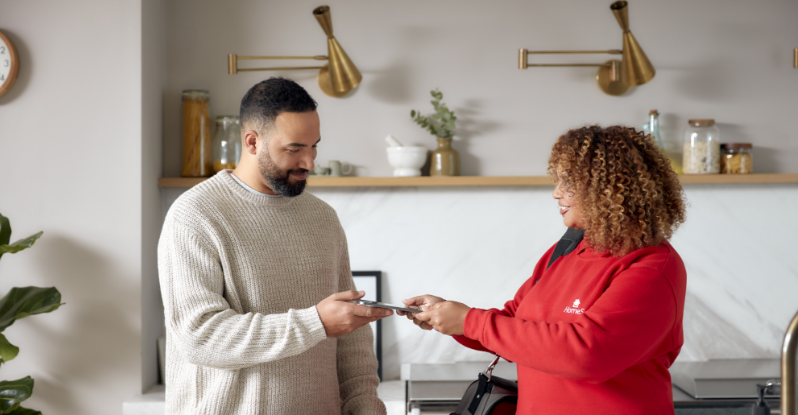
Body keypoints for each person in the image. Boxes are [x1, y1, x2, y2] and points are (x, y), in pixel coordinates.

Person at [402, 125, 687, 415]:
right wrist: (448, 317)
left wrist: (470, 321)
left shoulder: (652, 265)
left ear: (608, 189)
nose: (555, 193)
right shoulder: (566, 248)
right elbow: (516, 321)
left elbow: (586, 355)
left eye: (568, 183)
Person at [158, 77, 392, 415]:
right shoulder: (195, 214)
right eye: (294, 148)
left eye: (314, 146)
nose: (309, 162)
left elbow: (350, 339)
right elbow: (200, 336)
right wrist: (314, 323)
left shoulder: (323, 218)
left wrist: (366, 405)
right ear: (252, 142)